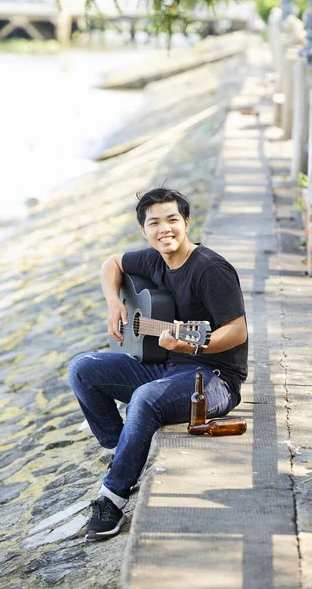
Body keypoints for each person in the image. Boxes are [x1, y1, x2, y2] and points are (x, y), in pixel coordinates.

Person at [67, 187, 248, 540]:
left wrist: (192, 346)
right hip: (165, 366)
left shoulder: (211, 270)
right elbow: (112, 263)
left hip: (213, 378)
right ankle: (124, 452)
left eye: (172, 220)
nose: (164, 229)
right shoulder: (152, 259)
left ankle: (113, 496)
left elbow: (237, 331)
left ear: (186, 223)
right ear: (144, 230)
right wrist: (113, 303)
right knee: (82, 368)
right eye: (155, 223)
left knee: (145, 399)